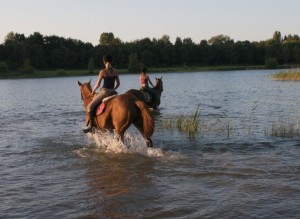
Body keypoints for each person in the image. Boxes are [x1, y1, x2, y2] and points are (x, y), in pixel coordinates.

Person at [83, 54, 120, 133]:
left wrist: (93, 90)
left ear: (104, 61)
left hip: (105, 92)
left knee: (89, 107)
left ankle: (91, 127)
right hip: (113, 92)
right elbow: (118, 84)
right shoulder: (115, 71)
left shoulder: (103, 71)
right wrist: (113, 89)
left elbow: (98, 84)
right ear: (111, 61)